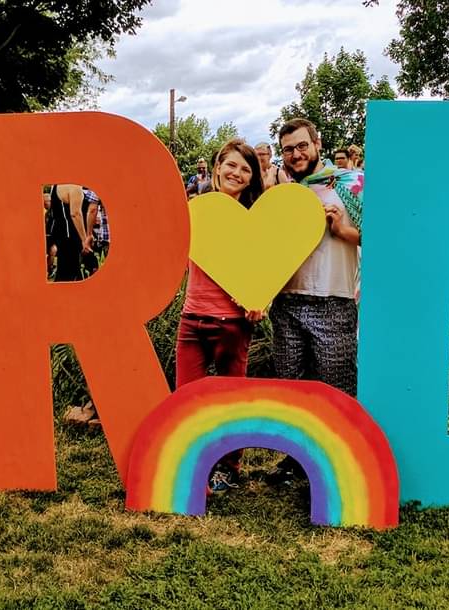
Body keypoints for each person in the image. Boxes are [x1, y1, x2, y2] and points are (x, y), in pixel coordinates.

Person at [267, 118, 363, 483]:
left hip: (332, 300)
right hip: (288, 302)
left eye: (301, 146)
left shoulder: (350, 184)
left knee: (335, 388)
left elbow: (384, 236)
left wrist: (343, 231)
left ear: (317, 143)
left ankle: (338, 465)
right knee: (291, 387)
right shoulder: (282, 191)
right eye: (288, 149)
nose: (295, 154)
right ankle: (295, 462)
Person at [176, 139, 266, 493]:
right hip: (191, 317)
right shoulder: (195, 209)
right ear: (216, 167)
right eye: (231, 165)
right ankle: (192, 464)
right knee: (187, 398)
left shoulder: (253, 220)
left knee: (231, 399)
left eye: (245, 169)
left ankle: (228, 468)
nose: (237, 173)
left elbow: (266, 270)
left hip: (232, 323)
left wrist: (259, 299)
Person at [46, 184, 94, 282]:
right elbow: (75, 214)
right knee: (68, 276)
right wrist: (84, 240)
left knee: (67, 274)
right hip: (70, 237)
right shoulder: (74, 186)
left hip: (61, 235)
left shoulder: (56, 186)